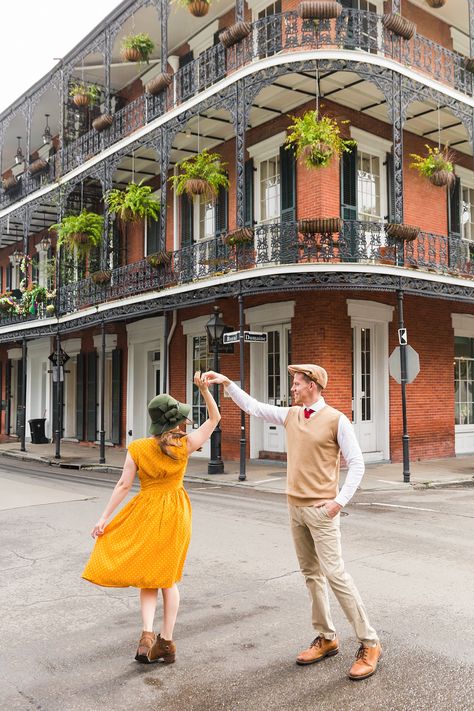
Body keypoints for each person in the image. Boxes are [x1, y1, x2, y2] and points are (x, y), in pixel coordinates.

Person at [202, 364, 382, 680]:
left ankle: (370, 643)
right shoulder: (291, 415)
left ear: (312, 385)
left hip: (322, 512)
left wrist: (338, 502)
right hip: (295, 509)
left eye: (297, 383)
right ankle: (326, 637)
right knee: (311, 575)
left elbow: (357, 464)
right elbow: (254, 408)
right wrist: (228, 383)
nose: (293, 388)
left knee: (335, 575)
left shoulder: (336, 420)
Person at [82, 371, 220, 665]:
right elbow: (214, 419)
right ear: (176, 422)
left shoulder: (138, 448)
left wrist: (103, 518)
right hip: (175, 512)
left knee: (149, 576)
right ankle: (166, 642)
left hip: (146, 510)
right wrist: (204, 391)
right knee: (167, 579)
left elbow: (122, 486)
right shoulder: (183, 446)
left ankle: (146, 636)